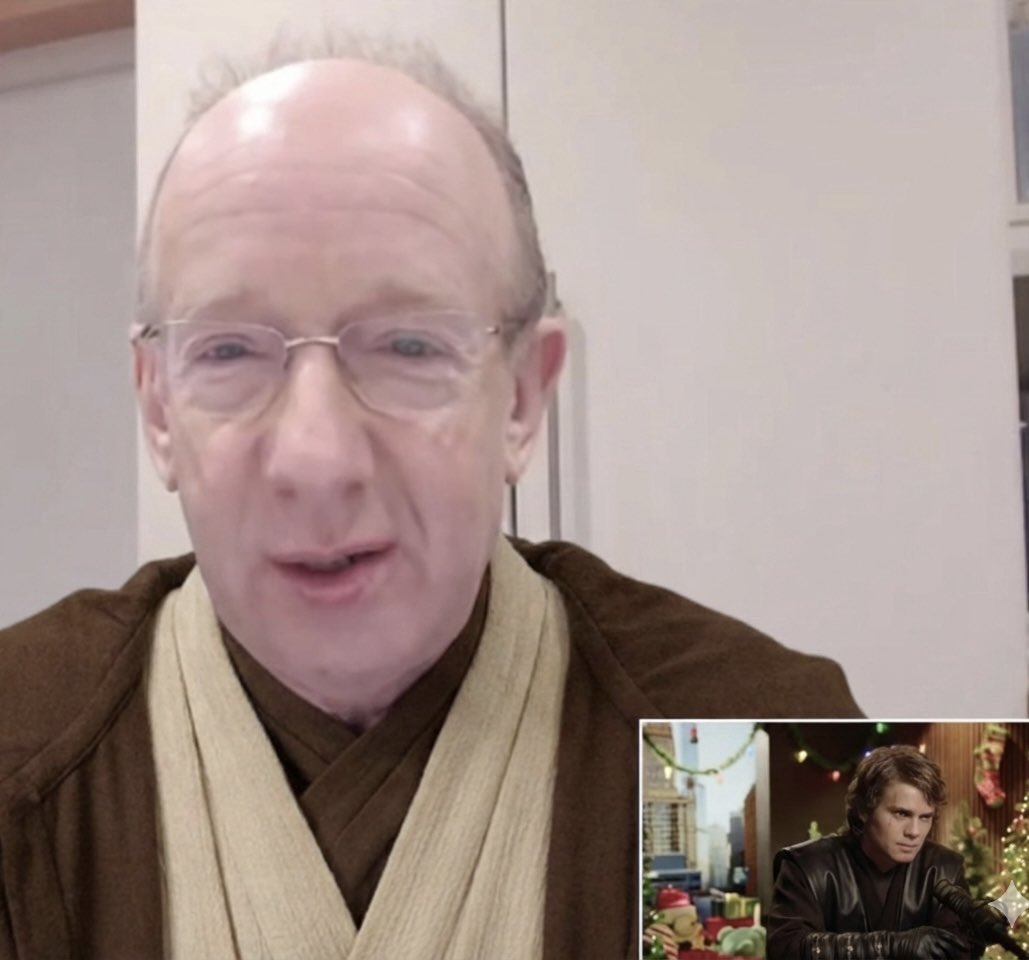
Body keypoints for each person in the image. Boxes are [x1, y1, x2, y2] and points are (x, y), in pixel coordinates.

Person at [0, 36, 861, 960]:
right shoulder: (23, 745)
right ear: (157, 407)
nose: (316, 459)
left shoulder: (760, 749)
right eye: (229, 350)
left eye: (409, 345)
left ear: (523, 396)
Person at [767, 744, 984, 960]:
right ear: (864, 809)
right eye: (901, 814)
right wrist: (891, 946)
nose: (914, 832)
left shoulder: (944, 869)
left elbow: (959, 950)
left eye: (925, 817)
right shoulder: (807, 866)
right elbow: (786, 949)